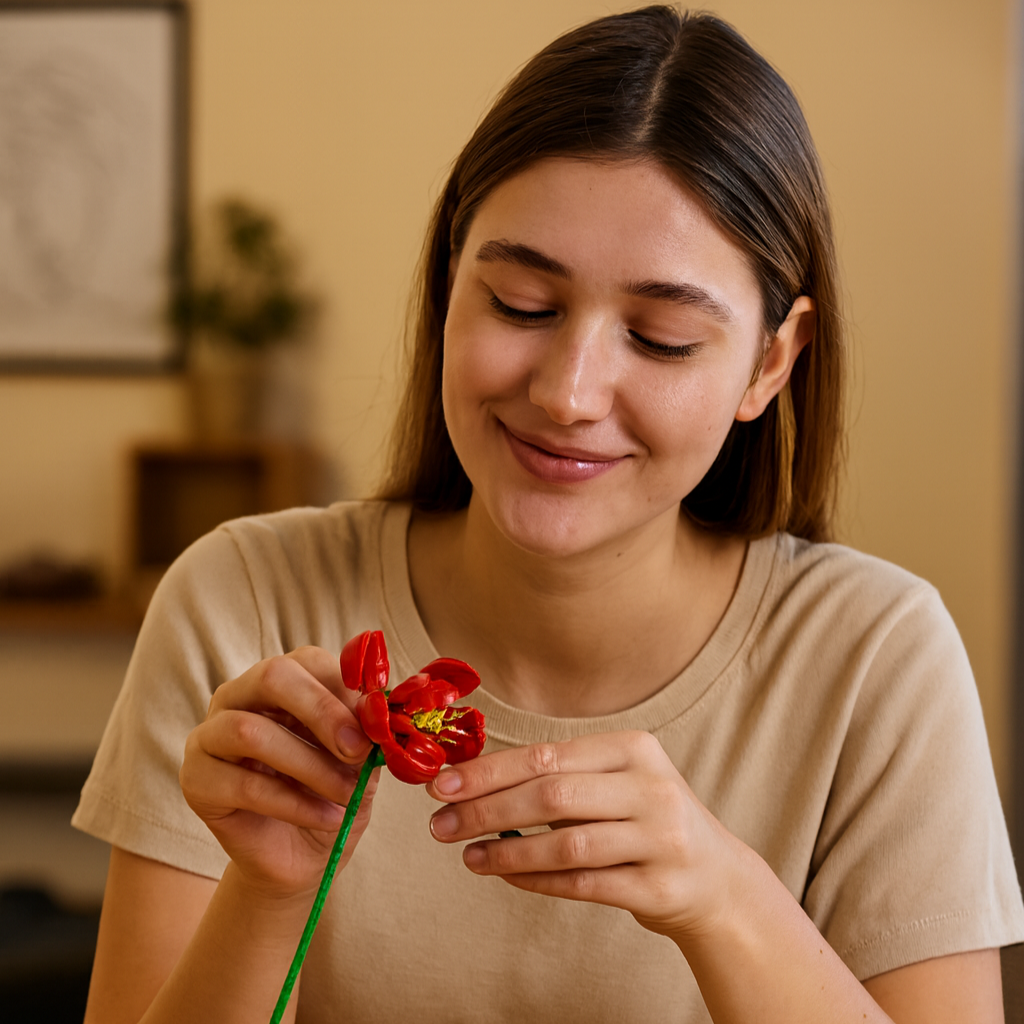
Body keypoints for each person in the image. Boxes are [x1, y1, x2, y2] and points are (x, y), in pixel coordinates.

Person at [74, 7, 1024, 1023]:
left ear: (769, 362)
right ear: (449, 285)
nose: (569, 393)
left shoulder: (875, 655)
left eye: (659, 339)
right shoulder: (244, 603)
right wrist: (266, 892)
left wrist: (725, 896)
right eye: (522, 304)